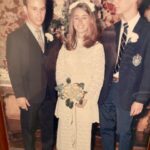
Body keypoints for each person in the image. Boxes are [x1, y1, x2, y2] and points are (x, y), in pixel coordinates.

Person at [99, 0, 150, 150]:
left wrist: (141, 99)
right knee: (106, 130)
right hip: (107, 90)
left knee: (124, 133)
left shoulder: (147, 31)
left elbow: (149, 69)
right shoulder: (111, 30)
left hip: (130, 91)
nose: (115, 1)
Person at [55, 2, 105, 150]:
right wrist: (69, 93)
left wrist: (83, 97)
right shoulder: (66, 46)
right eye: (76, 18)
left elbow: (97, 79)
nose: (80, 22)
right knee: (65, 140)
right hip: (67, 102)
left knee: (81, 142)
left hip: (84, 103)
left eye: (84, 17)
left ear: (90, 20)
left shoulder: (97, 48)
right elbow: (60, 73)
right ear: (72, 21)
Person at [6, 0, 51, 149]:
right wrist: (19, 95)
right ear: (25, 9)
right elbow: (14, 68)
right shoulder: (15, 37)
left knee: (48, 131)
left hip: (49, 95)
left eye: (42, 9)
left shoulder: (47, 35)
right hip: (29, 96)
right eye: (34, 9)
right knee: (29, 132)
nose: (39, 14)